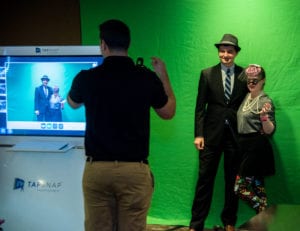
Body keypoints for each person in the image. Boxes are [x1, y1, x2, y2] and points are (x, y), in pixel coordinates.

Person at [67, 19, 176, 231]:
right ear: (127, 44)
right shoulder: (146, 77)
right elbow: (168, 112)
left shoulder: (86, 78)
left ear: (103, 44)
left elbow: (72, 103)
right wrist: (163, 75)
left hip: (97, 170)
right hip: (134, 171)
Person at [189, 34, 248, 231]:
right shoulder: (206, 74)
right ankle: (195, 225)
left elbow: (247, 107)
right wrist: (199, 134)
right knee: (205, 181)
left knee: (233, 182)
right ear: (218, 52)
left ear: (236, 53)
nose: (225, 55)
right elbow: (200, 108)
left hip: (235, 137)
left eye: (230, 51)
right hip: (210, 137)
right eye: (222, 51)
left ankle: (229, 223)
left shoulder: (244, 76)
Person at [234, 64, 276, 214]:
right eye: (249, 80)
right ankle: (263, 222)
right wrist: (251, 69)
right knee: (258, 188)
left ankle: (266, 211)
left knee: (239, 188)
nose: (251, 83)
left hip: (256, 148)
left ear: (263, 81)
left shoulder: (265, 101)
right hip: (245, 147)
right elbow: (241, 78)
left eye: (255, 80)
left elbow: (270, 130)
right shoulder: (247, 96)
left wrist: (264, 117)